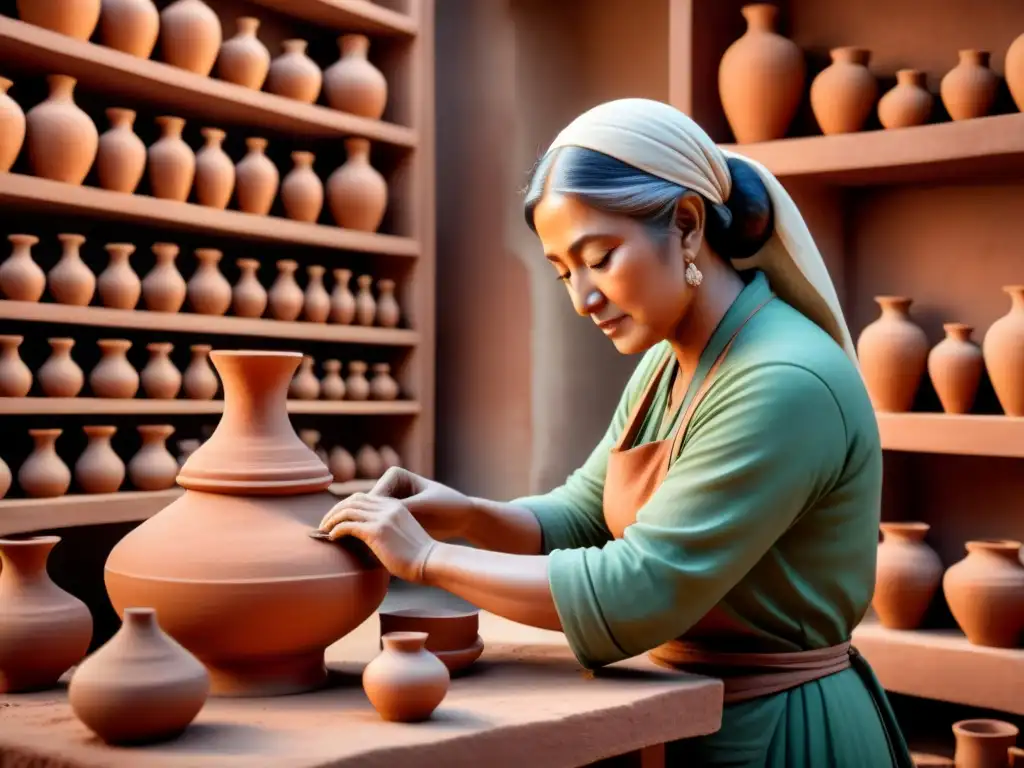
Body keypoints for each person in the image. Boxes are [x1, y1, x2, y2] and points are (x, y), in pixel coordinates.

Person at [319, 98, 913, 767]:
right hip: (685, 716)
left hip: (784, 735)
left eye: (599, 257)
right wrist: (465, 515)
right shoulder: (671, 359)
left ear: (686, 226)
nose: (581, 298)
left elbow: (639, 591)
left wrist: (425, 560)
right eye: (563, 271)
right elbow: (584, 515)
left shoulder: (783, 379)